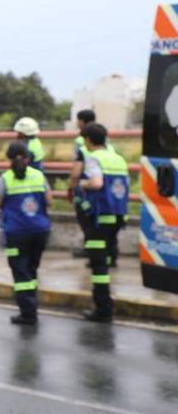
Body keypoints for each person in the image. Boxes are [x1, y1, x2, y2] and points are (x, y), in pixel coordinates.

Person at [0, 142, 52, 325]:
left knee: (20, 271)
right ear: (28, 158)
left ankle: (28, 313)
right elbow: (50, 202)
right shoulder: (39, 176)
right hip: (40, 231)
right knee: (32, 269)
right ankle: (32, 304)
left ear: (9, 158)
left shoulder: (6, 178)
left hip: (16, 233)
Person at [76, 123, 129, 322]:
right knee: (105, 260)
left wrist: (82, 183)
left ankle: (103, 309)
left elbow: (97, 183)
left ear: (89, 140)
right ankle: (104, 303)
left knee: (98, 267)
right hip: (117, 216)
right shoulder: (118, 158)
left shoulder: (93, 158)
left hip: (99, 218)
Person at [67, 108, 104, 258]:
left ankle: (90, 250)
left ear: (82, 121)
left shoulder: (81, 142)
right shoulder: (103, 136)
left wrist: (72, 187)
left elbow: (76, 169)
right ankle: (105, 253)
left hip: (86, 186)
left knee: (86, 218)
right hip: (103, 185)